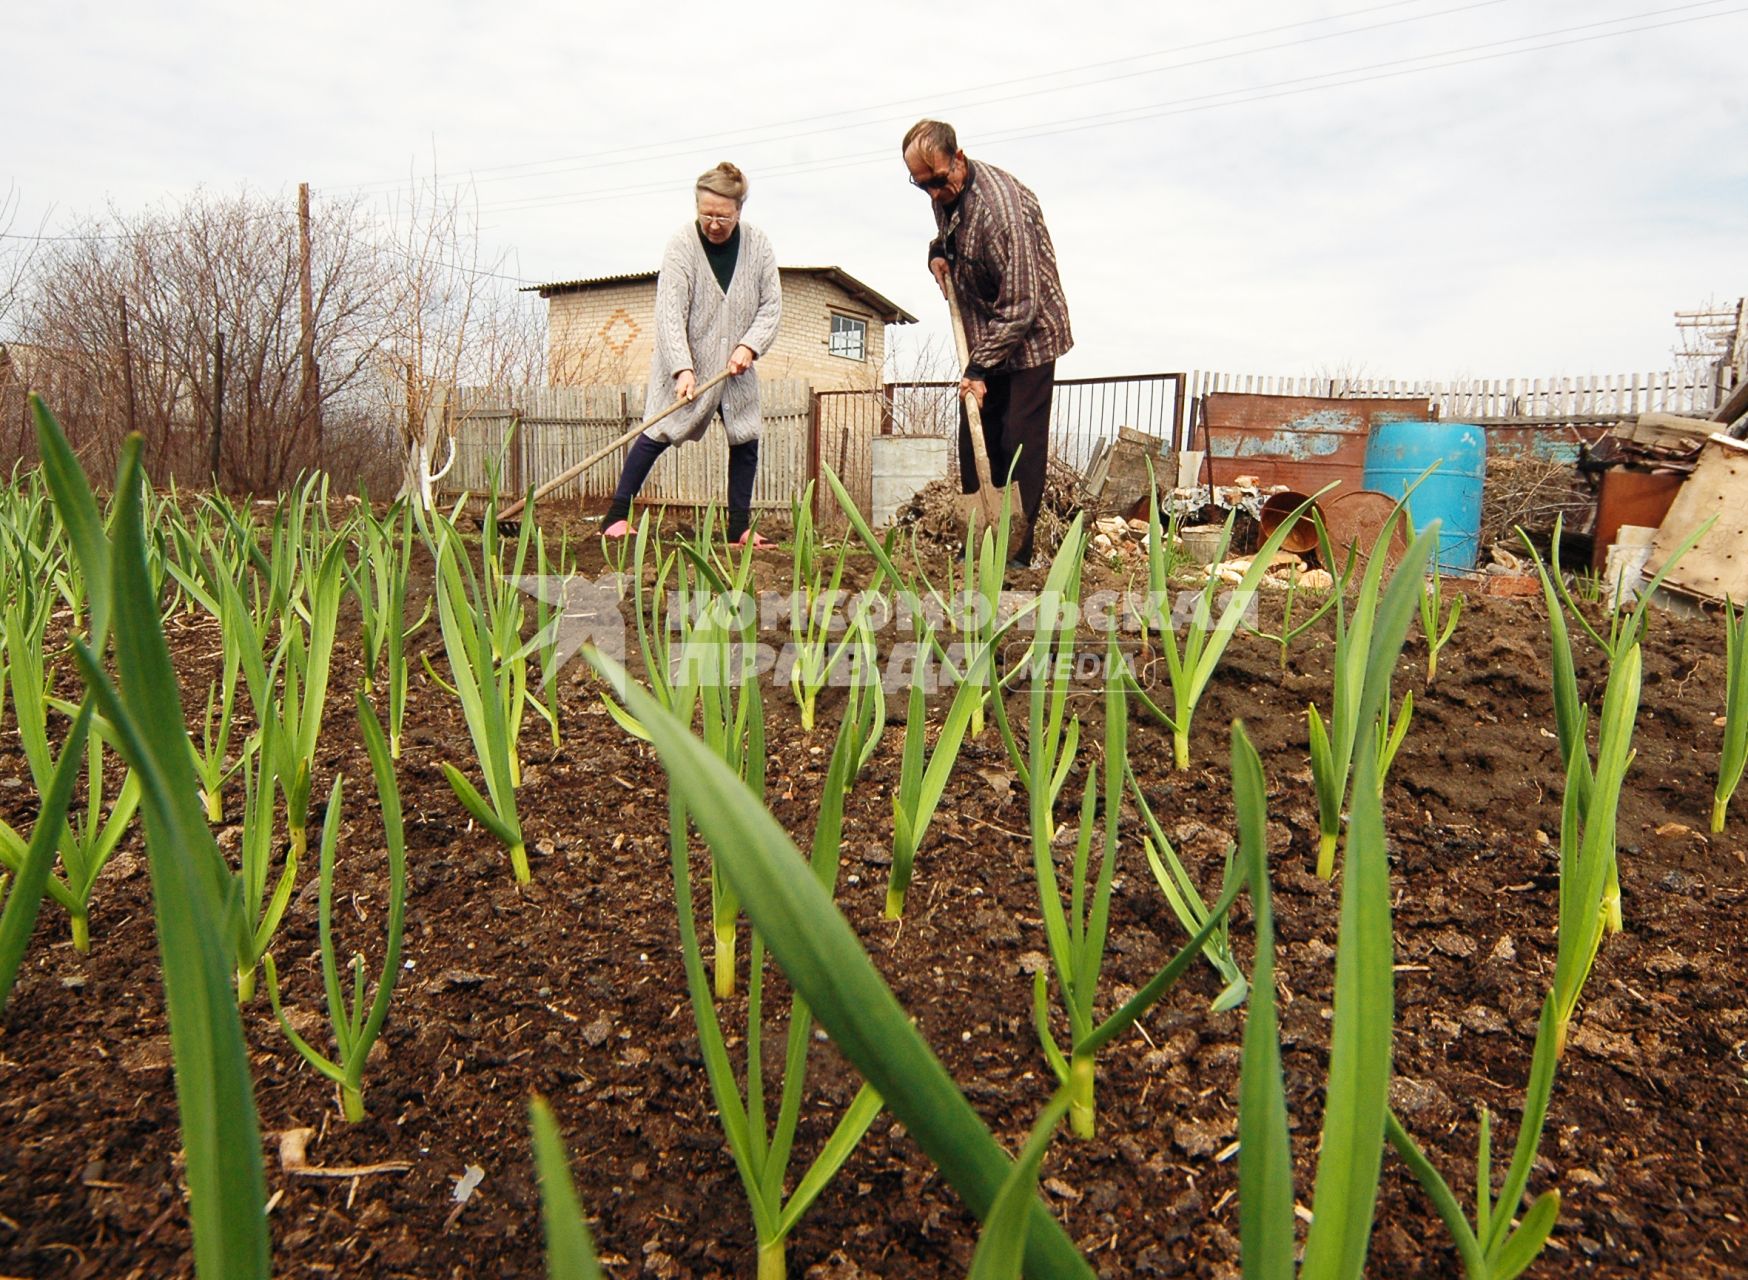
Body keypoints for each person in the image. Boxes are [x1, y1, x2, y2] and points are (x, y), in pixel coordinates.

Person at [901, 119, 1072, 569]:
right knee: (974, 435)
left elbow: (1021, 305)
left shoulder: (1001, 214)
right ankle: (977, 541)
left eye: (938, 181)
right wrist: (938, 252)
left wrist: (978, 370)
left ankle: (1015, 553)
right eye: (923, 187)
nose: (934, 194)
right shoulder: (945, 193)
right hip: (986, 330)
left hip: (1031, 334)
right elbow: (949, 235)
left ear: (958, 158)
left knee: (1018, 442)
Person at [601, 161, 782, 545]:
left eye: (723, 217)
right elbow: (669, 315)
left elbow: (771, 306)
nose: (714, 224)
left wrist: (748, 346)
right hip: (687, 363)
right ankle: (615, 517)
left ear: (739, 211)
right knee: (657, 430)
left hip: (737, 367)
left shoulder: (759, 245)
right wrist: (683, 369)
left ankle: (739, 528)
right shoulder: (682, 245)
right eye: (706, 214)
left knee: (746, 438)